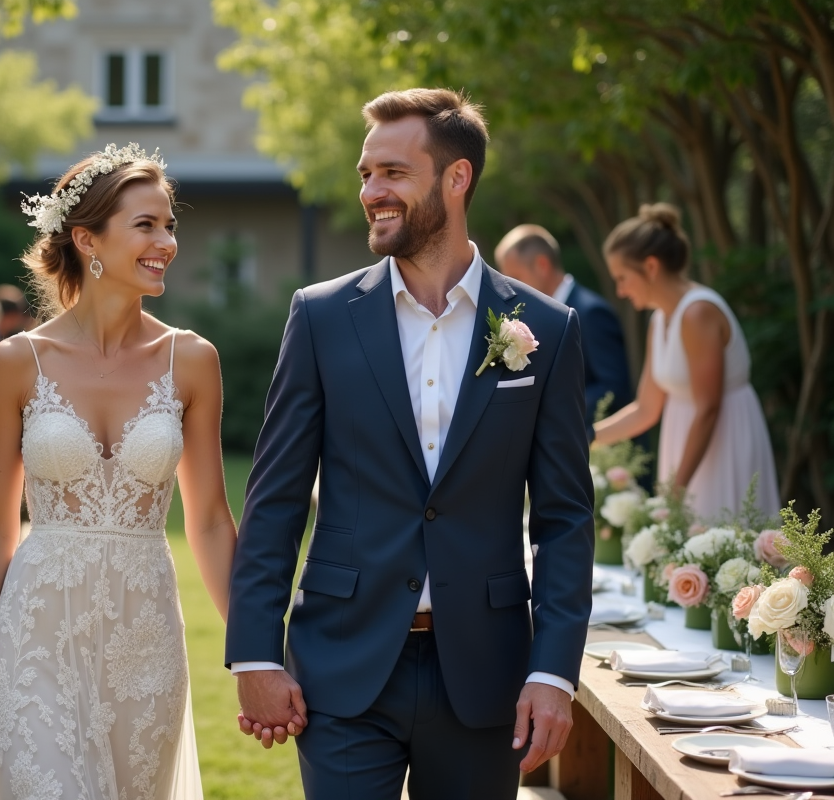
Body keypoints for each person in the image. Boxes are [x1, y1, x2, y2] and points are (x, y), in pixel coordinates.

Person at [225, 89, 594, 799]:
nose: (371, 192)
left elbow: (564, 518)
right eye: (365, 174)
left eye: (392, 172)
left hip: (485, 674)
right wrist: (253, 655)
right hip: (343, 663)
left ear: (456, 178)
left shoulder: (548, 330)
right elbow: (273, 501)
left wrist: (552, 673)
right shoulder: (322, 316)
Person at [0, 144, 236, 800]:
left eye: (169, 225)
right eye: (146, 225)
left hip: (146, 641)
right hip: (38, 636)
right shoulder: (16, 362)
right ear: (87, 239)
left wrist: (253, 652)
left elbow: (212, 523)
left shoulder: (191, 360)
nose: (165, 241)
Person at [592, 204, 781, 521]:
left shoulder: (697, 312)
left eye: (622, 278)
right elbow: (646, 409)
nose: (620, 291)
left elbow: (708, 408)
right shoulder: (659, 320)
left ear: (650, 267)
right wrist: (585, 437)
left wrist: (676, 489)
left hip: (723, 440)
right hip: (684, 443)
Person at [495, 224, 633, 422]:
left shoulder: (590, 313)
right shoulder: (531, 318)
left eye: (516, 278)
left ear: (542, 265)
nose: (512, 289)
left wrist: (549, 411)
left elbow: (614, 389)